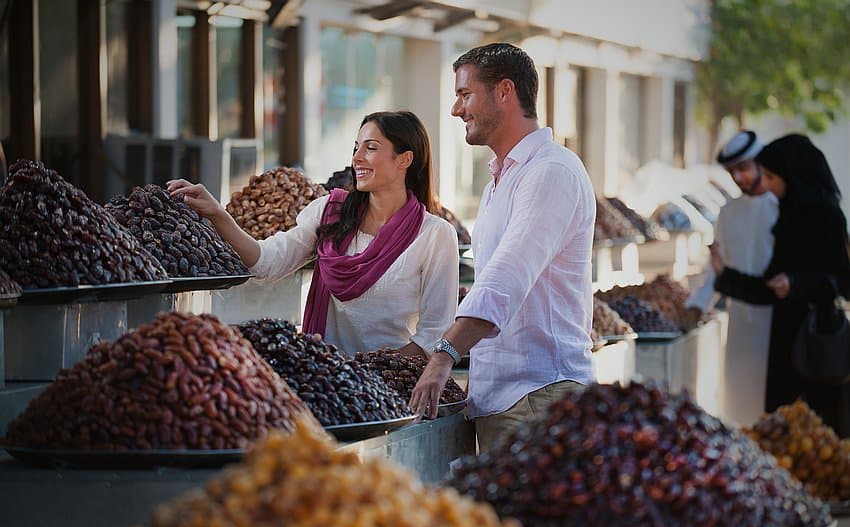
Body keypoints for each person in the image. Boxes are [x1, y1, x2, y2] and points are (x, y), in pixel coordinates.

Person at [409, 43, 597, 451]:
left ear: (504, 92)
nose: (456, 110)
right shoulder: (503, 178)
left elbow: (505, 277)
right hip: (508, 401)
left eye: (464, 95)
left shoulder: (551, 171)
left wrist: (443, 355)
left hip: (540, 399)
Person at [167, 110, 459, 357]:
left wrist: (368, 374)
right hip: (325, 381)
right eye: (355, 147)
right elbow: (267, 262)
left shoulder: (435, 235)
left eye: (370, 148)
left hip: (388, 390)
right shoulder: (328, 212)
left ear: (404, 160)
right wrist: (218, 214)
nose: (357, 158)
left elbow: (432, 336)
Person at [711, 133, 850, 436]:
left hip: (819, 342)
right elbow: (768, 289)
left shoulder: (829, 218)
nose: (769, 185)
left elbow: (844, 282)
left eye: (773, 177)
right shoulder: (785, 216)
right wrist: (725, 276)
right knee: (780, 433)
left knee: (820, 436)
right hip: (784, 341)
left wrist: (798, 284)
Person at [686, 130, 778, 427]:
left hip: (777, 326)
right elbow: (717, 269)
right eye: (732, 171)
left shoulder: (784, 210)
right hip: (739, 330)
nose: (738, 178)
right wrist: (697, 304)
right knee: (738, 411)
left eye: (743, 168)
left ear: (761, 163)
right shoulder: (728, 213)